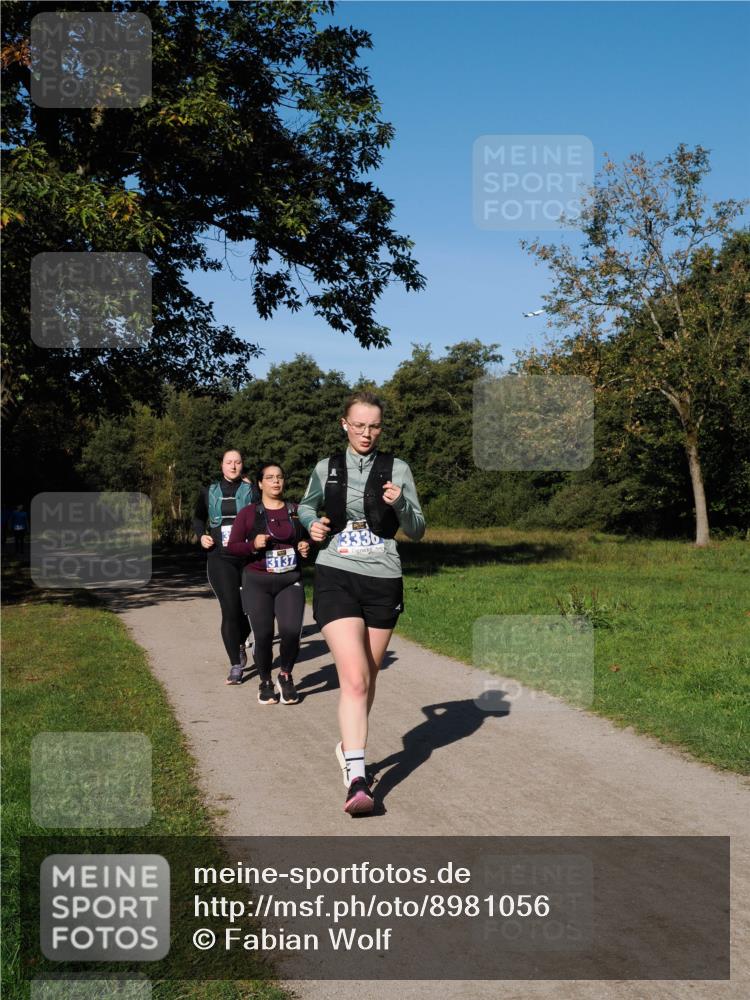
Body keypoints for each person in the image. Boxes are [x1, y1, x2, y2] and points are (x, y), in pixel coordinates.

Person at [298, 391, 425, 815]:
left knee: (366, 679)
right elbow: (305, 506)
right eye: (359, 425)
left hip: (383, 578)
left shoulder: (398, 468)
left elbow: (418, 528)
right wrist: (312, 524)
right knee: (353, 679)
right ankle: (357, 776)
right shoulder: (326, 467)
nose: (367, 433)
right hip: (336, 573)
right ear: (344, 424)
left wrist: (400, 503)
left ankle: (347, 745)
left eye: (374, 426)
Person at [227, 463, 310, 705]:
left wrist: (306, 546)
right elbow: (232, 547)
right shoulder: (249, 513)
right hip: (257, 582)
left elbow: (306, 539)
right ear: (260, 484)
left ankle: (285, 676)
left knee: (292, 632)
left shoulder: (296, 511)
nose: (276, 482)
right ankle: (265, 681)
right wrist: (252, 545)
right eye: (270, 478)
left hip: (289, 580)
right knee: (263, 635)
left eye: (280, 477)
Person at [193, 449, 260, 685]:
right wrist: (202, 536)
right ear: (222, 465)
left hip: (248, 557)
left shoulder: (252, 491)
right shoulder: (208, 491)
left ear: (243, 465)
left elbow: (264, 516)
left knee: (248, 610)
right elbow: (198, 518)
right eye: (228, 462)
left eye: (237, 462)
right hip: (220, 558)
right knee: (230, 610)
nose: (233, 466)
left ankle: (241, 640)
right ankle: (235, 664)